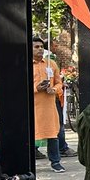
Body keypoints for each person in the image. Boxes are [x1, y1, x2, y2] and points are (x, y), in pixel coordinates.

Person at [32, 35, 65, 171]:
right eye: (36, 47)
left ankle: (55, 162)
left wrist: (54, 89)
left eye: (41, 47)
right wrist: (36, 88)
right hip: (32, 106)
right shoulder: (25, 64)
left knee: (52, 134)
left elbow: (59, 82)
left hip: (49, 106)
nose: (40, 49)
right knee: (31, 134)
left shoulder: (51, 64)